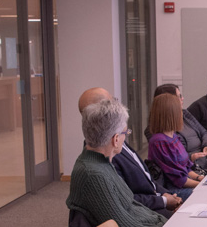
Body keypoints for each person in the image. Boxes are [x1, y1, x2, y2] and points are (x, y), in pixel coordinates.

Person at [68, 99, 167, 227]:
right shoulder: (94, 174)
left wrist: (163, 221)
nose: (126, 136)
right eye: (125, 132)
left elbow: (131, 207)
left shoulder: (101, 162)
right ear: (115, 139)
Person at [78, 87, 182, 215]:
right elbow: (128, 205)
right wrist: (164, 201)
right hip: (147, 210)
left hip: (153, 202)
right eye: (112, 102)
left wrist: (165, 195)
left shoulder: (113, 142)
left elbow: (146, 177)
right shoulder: (105, 154)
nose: (117, 104)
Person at [148, 83, 207, 172]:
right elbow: (176, 169)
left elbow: (203, 132)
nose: (182, 98)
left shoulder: (185, 114)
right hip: (192, 166)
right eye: (179, 96)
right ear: (169, 101)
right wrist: (191, 159)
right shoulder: (160, 134)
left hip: (198, 162)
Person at [148, 92, 205, 191]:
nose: (182, 113)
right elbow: (179, 180)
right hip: (175, 190)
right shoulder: (160, 141)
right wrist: (202, 185)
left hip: (186, 183)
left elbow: (185, 168)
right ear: (171, 114)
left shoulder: (173, 136)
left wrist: (199, 178)